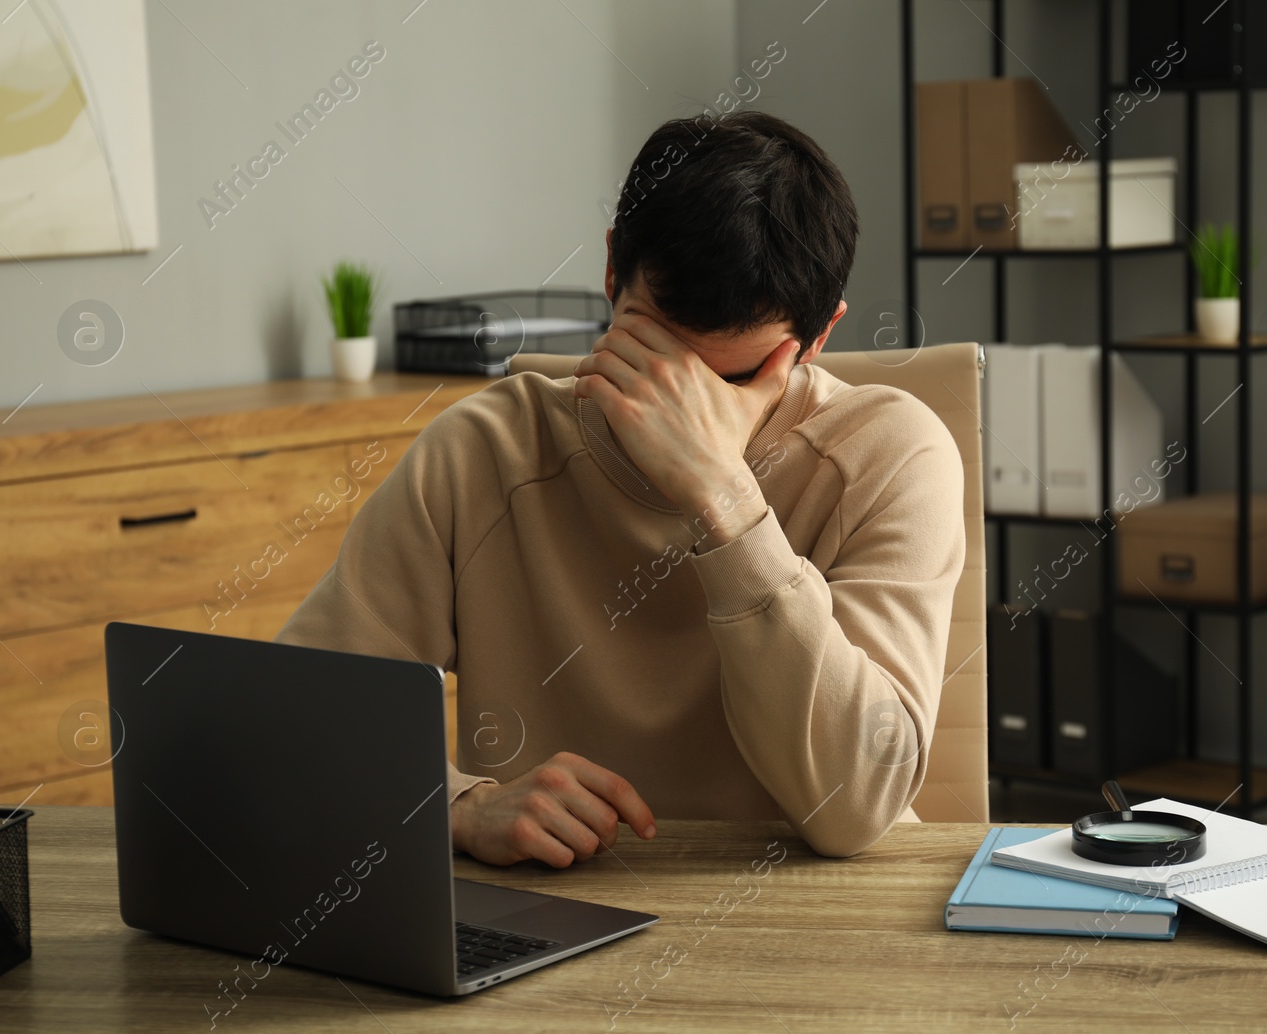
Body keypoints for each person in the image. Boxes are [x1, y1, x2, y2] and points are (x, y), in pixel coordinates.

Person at [276, 110, 965, 866]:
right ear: (610, 271)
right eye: (651, 352)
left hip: (821, 933)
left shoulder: (892, 453)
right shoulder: (484, 452)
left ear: (820, 337)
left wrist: (723, 496)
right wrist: (459, 806)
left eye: (731, 377)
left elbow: (856, 809)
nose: (679, 406)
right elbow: (297, 720)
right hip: (556, 915)